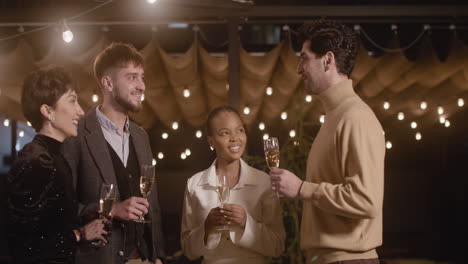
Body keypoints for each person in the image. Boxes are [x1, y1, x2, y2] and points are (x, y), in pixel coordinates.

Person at [269, 20, 385, 264]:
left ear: (328, 60)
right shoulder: (336, 116)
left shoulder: (355, 117)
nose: (299, 69)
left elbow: (366, 200)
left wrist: (302, 188)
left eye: (304, 58)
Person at [63, 43, 165, 264]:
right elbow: (63, 207)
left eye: (142, 77)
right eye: (131, 77)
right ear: (107, 83)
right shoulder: (76, 134)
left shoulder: (141, 136)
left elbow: (153, 205)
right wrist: (111, 210)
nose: (141, 86)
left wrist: (158, 256)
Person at [6, 67, 107, 264]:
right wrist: (79, 234)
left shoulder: (54, 156)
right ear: (48, 111)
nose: (80, 111)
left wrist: (90, 216)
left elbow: (53, 221)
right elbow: (22, 245)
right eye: (72, 100)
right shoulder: (36, 160)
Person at [181, 106, 285, 264]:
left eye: (240, 130)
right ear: (211, 142)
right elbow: (188, 251)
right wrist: (207, 228)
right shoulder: (194, 184)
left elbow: (277, 246)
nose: (235, 138)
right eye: (225, 133)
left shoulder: (264, 182)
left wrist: (246, 223)